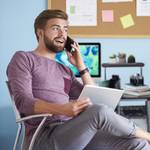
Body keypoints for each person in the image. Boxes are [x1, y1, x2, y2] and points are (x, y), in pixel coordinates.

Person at [7, 9, 150, 150]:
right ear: (40, 32)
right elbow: (23, 102)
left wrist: (81, 66)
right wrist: (62, 109)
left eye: (65, 29)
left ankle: (144, 137)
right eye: (56, 28)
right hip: (45, 137)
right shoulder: (23, 58)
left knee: (138, 143)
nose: (62, 34)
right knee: (99, 112)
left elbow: (95, 99)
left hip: (73, 133)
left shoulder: (65, 69)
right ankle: (148, 135)